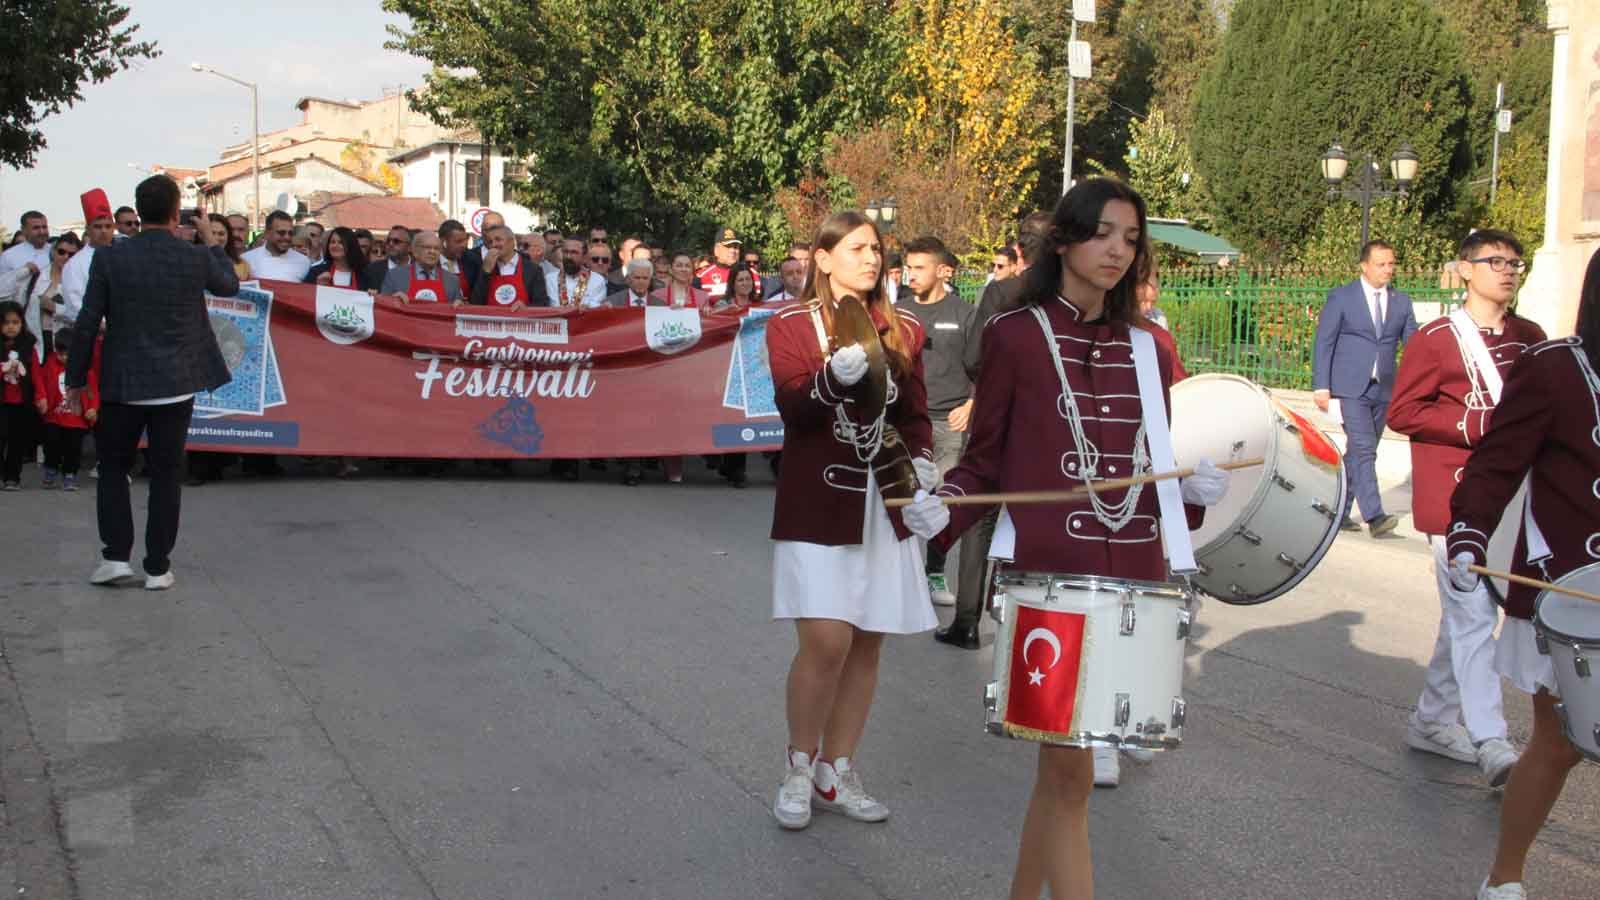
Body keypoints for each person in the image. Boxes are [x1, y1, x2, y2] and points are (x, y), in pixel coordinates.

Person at [900, 178, 1227, 899]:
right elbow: (985, 459)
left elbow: (1151, 457)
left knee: (1063, 776)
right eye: (1104, 233)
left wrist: (1188, 495)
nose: (1118, 250)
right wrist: (944, 508)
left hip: (1136, 577)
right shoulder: (1014, 336)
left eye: (1132, 239)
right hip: (1048, 576)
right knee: (1069, 772)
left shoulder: (1153, 347)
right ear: (1067, 239)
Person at [766, 210, 938, 833]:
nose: (872, 259)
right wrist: (827, 383)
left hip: (884, 502)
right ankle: (797, 764)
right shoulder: (789, 324)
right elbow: (791, 407)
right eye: (858, 248)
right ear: (824, 257)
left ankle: (836, 770)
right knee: (826, 640)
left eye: (876, 249)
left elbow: (916, 417)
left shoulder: (906, 328)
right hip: (818, 500)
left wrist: (925, 469)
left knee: (868, 638)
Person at [1446, 245, 1600, 900]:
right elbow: (1496, 463)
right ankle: (1503, 877)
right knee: (1560, 742)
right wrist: (1468, 531)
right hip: (1567, 591)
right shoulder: (1554, 369)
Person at [1387, 229, 1544, 789]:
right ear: (1465, 270)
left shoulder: (1530, 337)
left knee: (1467, 614)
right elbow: (1402, 412)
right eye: (1495, 261)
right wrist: (1472, 424)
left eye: (1514, 263)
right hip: (1455, 498)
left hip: (1511, 495)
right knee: (1474, 614)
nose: (1507, 271)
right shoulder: (1437, 338)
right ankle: (1491, 739)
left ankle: (1432, 721)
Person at [67, 174, 239, 590]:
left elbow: (88, 322)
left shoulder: (109, 258)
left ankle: (114, 558)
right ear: (176, 211)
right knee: (165, 473)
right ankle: (158, 567)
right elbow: (230, 284)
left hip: (123, 382)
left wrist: (75, 380)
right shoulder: (194, 257)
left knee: (113, 470)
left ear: (138, 212)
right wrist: (211, 241)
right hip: (176, 382)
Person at [1311, 239, 1418, 536]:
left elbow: (1414, 345)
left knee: (1359, 453)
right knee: (1364, 448)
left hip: (1383, 388)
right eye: (1381, 264)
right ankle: (1375, 516)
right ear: (1364, 266)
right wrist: (1321, 385)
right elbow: (1324, 342)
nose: (1387, 270)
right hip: (1349, 387)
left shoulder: (1401, 301)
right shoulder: (1342, 297)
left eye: (1391, 264)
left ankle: (1337, 511)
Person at [894, 236, 977, 613]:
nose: (911, 275)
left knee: (940, 503)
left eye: (920, 268)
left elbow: (987, 366)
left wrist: (972, 403)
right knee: (898, 499)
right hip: (902, 424)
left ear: (943, 271)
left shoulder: (965, 314)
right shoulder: (897, 312)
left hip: (947, 425)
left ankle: (934, 571)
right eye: (908, 267)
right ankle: (896, 573)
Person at [32, 323, 97, 490]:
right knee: (51, 444)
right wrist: (41, 399)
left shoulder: (85, 370)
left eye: (69, 354)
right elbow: (41, 383)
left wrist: (92, 408)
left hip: (76, 419)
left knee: (73, 449)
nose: (64, 357)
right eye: (61, 353)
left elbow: (93, 392)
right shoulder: (50, 364)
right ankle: (51, 468)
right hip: (54, 415)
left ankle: (70, 475)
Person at [60, 190, 117, 330]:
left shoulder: (125, 255)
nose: (103, 231)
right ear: (88, 229)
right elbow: (75, 306)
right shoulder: (74, 265)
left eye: (108, 226)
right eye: (98, 227)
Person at [0, 301, 39, 489]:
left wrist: (41, 396)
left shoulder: (28, 345)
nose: (11, 326)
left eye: (15, 322)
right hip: (2, 400)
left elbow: (36, 374)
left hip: (21, 401)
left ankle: (12, 477)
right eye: (6, 322)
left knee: (17, 440)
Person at [473, 224, 550, 308]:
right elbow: (475, 303)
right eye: (490, 242)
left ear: (512, 241)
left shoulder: (533, 269)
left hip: (521, 320)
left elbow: (542, 303)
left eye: (498, 240)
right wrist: (485, 272)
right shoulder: (485, 266)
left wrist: (527, 308)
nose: (494, 245)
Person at [385, 231, 465, 305]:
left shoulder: (452, 280)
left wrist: (460, 306)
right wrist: (391, 300)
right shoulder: (394, 276)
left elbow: (458, 313)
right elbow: (382, 307)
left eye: (436, 248)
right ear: (415, 251)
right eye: (427, 247)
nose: (432, 252)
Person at [241, 210, 311, 281]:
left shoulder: (304, 262)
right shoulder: (247, 259)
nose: (287, 237)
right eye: (281, 232)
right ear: (267, 233)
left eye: (290, 233)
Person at [547, 237, 608, 308]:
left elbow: (597, 309)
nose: (568, 256)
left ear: (584, 257)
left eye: (574, 252)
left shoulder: (597, 280)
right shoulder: (549, 279)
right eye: (565, 252)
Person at [0, 211, 50, 277]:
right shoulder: (8, 256)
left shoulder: (59, 253)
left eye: (44, 227)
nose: (42, 232)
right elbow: (3, 284)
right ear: (23, 229)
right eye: (36, 228)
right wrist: (21, 272)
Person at [695, 227, 739, 300]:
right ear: (716, 250)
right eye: (728, 246)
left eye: (735, 247)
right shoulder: (701, 277)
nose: (732, 250)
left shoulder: (749, 275)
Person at [439, 220, 476, 296]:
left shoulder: (471, 261)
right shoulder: (431, 263)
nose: (463, 246)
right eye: (458, 241)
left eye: (465, 241)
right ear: (443, 242)